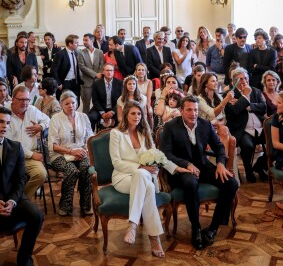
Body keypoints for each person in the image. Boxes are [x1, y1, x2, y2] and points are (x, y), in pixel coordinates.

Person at [109, 100, 190, 257]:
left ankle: (132, 225)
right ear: (125, 114)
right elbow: (116, 163)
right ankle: (154, 239)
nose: (137, 116)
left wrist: (176, 168)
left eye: (139, 113)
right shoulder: (116, 134)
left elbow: (158, 157)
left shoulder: (145, 133)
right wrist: (141, 168)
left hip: (143, 177)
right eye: (133, 113)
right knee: (147, 185)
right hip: (123, 178)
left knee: (143, 179)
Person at [161, 96, 239, 250]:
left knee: (232, 184)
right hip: (181, 169)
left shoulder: (205, 125)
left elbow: (219, 147)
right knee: (191, 182)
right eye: (189, 110)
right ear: (181, 111)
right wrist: (187, 164)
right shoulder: (170, 127)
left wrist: (221, 164)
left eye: (196, 110)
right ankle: (196, 229)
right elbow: (166, 154)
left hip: (203, 166)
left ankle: (212, 229)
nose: (193, 113)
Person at [0, 106, 44, 266]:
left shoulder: (15, 148)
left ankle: (24, 259)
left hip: (12, 196)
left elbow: (20, 180)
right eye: (0, 122)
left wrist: (11, 201)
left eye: (7, 123)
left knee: (37, 215)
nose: (4, 126)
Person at [48, 90, 93, 216]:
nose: (71, 106)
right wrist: (71, 151)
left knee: (87, 169)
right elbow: (52, 146)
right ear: (62, 105)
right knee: (72, 171)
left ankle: (85, 205)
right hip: (60, 154)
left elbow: (90, 138)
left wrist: (85, 150)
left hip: (80, 152)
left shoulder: (83, 117)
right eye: (67, 103)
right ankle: (65, 205)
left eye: (73, 103)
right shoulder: (55, 119)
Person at [6, 85, 50, 199]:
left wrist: (41, 126)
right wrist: (32, 154)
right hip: (12, 156)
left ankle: (19, 200)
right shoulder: (5, 114)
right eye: (21, 99)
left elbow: (48, 120)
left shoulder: (31, 109)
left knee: (41, 174)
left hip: (30, 157)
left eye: (27, 99)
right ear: (13, 99)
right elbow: (11, 144)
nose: (25, 103)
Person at [224, 68, 267, 183]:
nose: (244, 81)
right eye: (240, 79)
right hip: (242, 130)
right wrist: (245, 97)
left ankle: (259, 166)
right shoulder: (230, 94)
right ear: (234, 82)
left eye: (245, 78)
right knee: (247, 145)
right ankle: (248, 170)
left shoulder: (256, 91)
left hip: (260, 127)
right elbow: (233, 112)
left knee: (275, 143)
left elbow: (263, 108)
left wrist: (247, 106)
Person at [198, 73, 235, 158]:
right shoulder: (200, 99)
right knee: (226, 133)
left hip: (219, 128)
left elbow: (224, 118)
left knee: (231, 137)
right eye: (213, 81)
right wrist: (226, 100)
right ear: (206, 83)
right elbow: (212, 113)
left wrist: (220, 123)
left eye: (216, 81)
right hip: (205, 129)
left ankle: (226, 164)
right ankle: (223, 160)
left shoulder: (218, 97)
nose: (216, 83)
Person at [51, 34, 83, 106]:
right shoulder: (60, 54)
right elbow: (53, 70)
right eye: (76, 43)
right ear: (70, 44)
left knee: (76, 104)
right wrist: (58, 83)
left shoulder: (76, 53)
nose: (78, 44)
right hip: (64, 83)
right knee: (64, 104)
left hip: (75, 83)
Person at [88, 63, 123, 131]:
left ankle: (119, 136)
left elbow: (121, 100)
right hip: (100, 108)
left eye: (111, 70)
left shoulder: (119, 83)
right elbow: (95, 100)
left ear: (113, 72)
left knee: (121, 118)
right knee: (91, 117)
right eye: (107, 70)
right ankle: (91, 138)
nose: (109, 72)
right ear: (103, 71)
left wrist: (112, 112)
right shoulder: (96, 83)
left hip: (114, 108)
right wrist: (102, 112)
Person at [78, 33, 104, 115]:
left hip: (98, 82)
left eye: (86, 40)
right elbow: (82, 67)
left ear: (92, 40)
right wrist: (95, 74)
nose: (84, 42)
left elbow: (102, 65)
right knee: (86, 105)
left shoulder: (100, 52)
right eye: (83, 40)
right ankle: (85, 123)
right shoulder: (81, 52)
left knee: (100, 104)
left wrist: (99, 75)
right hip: (86, 83)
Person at [206, 28, 227, 92]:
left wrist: (220, 48)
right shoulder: (211, 49)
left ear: (224, 36)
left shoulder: (228, 48)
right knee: (215, 93)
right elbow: (208, 64)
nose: (217, 38)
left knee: (225, 93)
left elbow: (227, 59)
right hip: (214, 75)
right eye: (216, 36)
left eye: (219, 35)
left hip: (225, 75)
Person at [135, 63, 153, 128]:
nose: (141, 71)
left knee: (150, 113)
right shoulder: (134, 82)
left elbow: (149, 97)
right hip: (136, 102)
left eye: (143, 70)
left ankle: (151, 131)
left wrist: (148, 107)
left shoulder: (149, 82)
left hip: (146, 103)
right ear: (136, 72)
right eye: (139, 70)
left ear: (145, 72)